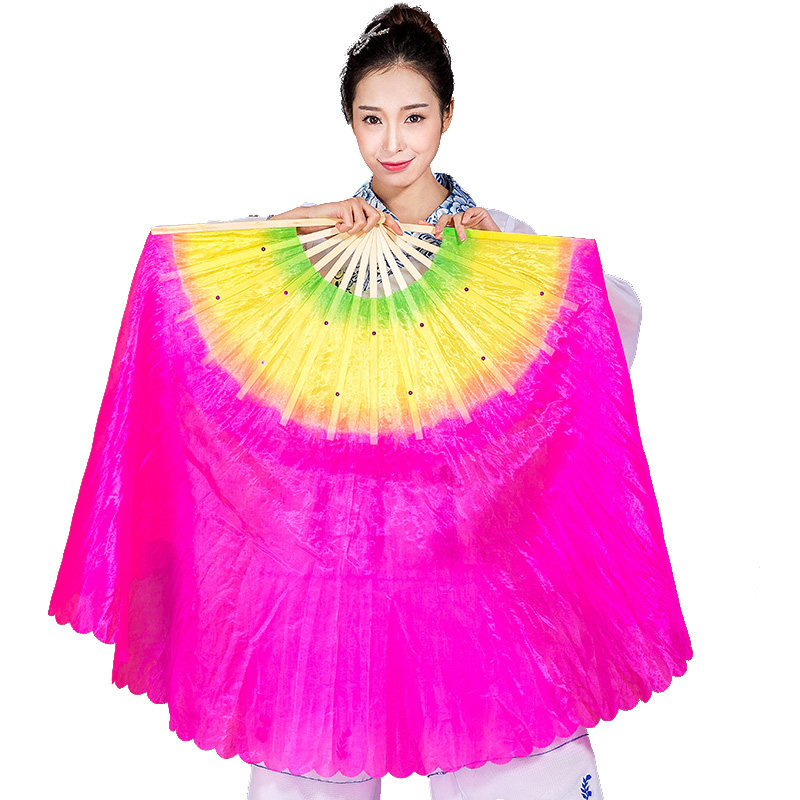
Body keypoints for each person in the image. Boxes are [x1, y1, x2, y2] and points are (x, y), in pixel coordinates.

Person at [243, 4, 642, 799]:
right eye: (372, 118)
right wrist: (285, 228)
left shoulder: (494, 239)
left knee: (520, 763)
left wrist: (513, 272)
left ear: (447, 116)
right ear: (350, 122)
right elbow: (196, 280)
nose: (393, 142)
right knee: (312, 767)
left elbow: (613, 329)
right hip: (342, 566)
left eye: (414, 116)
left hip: (481, 564)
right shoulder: (317, 244)